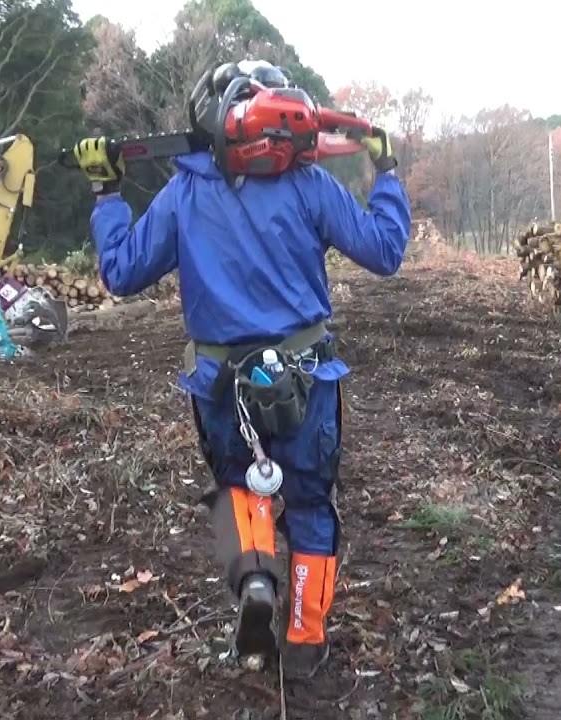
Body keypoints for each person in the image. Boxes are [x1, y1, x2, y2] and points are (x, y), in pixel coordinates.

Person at [71, 61, 411, 681]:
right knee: (310, 505)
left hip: (222, 386)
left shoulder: (185, 192)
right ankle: (306, 642)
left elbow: (120, 273)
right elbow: (385, 251)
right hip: (309, 378)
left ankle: (255, 580)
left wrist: (107, 194)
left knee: (237, 491)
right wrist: (385, 173)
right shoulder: (312, 185)